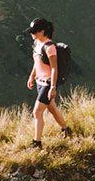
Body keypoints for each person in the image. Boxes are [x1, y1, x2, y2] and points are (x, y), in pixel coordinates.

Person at [26, 18, 71, 147]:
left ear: (42, 31)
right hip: (39, 82)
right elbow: (37, 63)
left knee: (37, 112)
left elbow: (54, 68)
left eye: (34, 31)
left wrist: (52, 87)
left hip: (47, 83)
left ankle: (37, 143)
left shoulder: (50, 47)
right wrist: (31, 76)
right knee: (51, 108)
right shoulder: (37, 44)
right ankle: (66, 129)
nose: (32, 34)